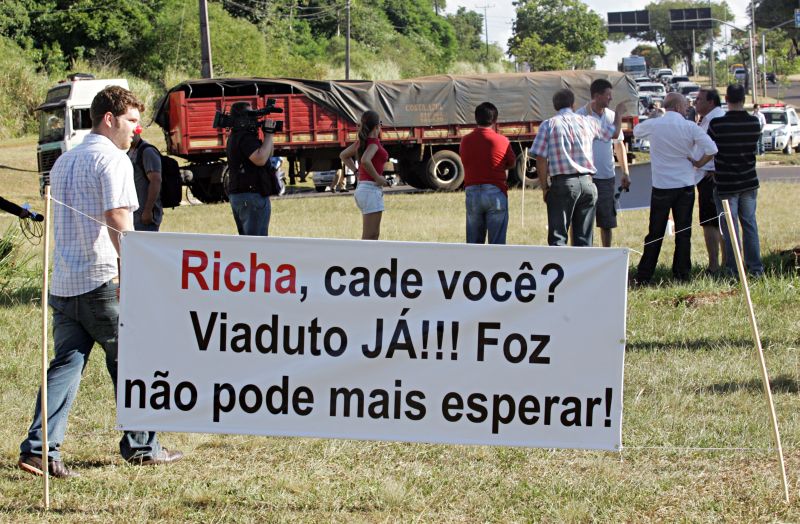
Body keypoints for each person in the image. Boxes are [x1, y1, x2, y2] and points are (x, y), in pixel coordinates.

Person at [18, 86, 183, 479]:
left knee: (66, 365)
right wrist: (136, 271)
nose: (136, 129)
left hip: (65, 282)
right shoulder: (113, 160)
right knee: (134, 361)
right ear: (109, 118)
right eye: (131, 120)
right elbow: (118, 219)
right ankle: (142, 446)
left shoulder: (64, 161)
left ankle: (39, 449)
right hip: (103, 280)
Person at [631, 93, 718, 285]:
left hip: (662, 186)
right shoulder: (690, 127)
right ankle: (681, 274)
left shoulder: (655, 125)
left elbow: (636, 131)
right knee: (683, 232)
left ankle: (644, 274)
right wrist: (698, 162)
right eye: (686, 106)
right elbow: (712, 149)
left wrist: (653, 116)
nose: (688, 109)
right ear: (678, 107)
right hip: (685, 185)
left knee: (655, 233)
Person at [530, 88, 626, 247]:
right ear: (573, 105)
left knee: (558, 238)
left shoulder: (548, 125)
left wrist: (545, 187)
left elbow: (540, 158)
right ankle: (583, 262)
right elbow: (615, 133)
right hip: (587, 183)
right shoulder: (588, 122)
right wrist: (619, 113)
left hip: (562, 183)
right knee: (584, 239)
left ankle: (560, 263)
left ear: (555, 106)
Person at [708, 84, 764, 277]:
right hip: (749, 181)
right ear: (744, 99)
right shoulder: (754, 123)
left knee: (730, 229)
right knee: (750, 225)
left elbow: (709, 148)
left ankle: (734, 269)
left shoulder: (717, 125)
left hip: (726, 184)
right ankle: (755, 268)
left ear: (726, 99)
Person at [576, 79, 631, 247]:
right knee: (582, 222)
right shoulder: (580, 116)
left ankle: (606, 253)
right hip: (586, 177)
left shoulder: (611, 116)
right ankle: (584, 254)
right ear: (596, 96)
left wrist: (625, 172)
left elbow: (619, 145)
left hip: (607, 177)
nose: (611, 98)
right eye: (608, 95)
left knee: (607, 221)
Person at [459, 102, 516, 244]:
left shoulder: (465, 141)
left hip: (472, 192)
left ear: (476, 119)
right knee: (497, 244)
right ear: (495, 120)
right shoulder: (502, 140)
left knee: (474, 243)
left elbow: (465, 160)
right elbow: (512, 162)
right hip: (495, 191)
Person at [226, 101, 275, 236]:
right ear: (243, 116)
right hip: (251, 195)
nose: (255, 118)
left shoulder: (236, 136)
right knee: (256, 242)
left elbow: (268, 154)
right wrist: (269, 135)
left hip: (242, 194)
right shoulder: (245, 137)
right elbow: (260, 159)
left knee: (247, 242)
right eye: (251, 114)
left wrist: (268, 136)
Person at [692, 88, 726, 275]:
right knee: (711, 221)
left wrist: (715, 169)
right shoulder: (707, 118)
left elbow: (719, 148)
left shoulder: (716, 119)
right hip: (704, 176)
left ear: (711, 102)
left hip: (711, 177)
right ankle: (719, 264)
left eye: (699, 99)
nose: (695, 102)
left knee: (713, 222)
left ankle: (717, 266)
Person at [340, 110, 388, 240]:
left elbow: (343, 155)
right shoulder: (373, 143)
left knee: (372, 236)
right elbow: (365, 160)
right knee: (370, 237)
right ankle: (361, 255)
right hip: (370, 190)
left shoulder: (362, 143)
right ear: (377, 126)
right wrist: (378, 178)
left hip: (364, 188)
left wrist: (356, 172)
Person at [127, 131, 162, 232]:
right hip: (134, 216)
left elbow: (156, 181)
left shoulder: (147, 152)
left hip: (144, 218)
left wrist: (148, 210)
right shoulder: (129, 151)